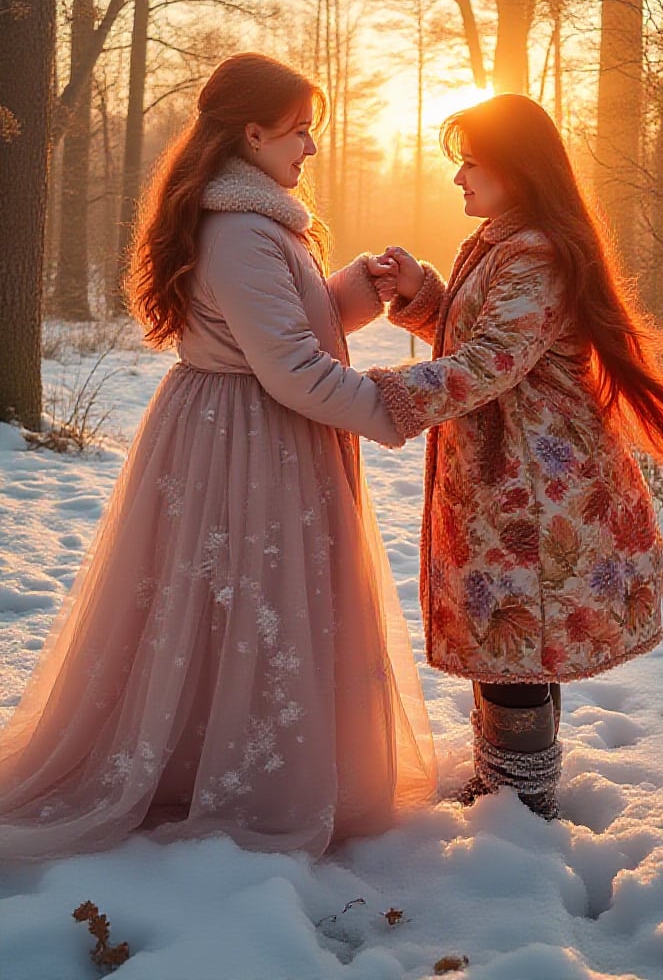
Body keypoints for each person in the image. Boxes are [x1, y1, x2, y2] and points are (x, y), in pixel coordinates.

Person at [0, 52, 435, 861]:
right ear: (253, 131)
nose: (309, 148)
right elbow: (295, 368)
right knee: (247, 601)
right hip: (246, 441)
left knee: (242, 606)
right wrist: (399, 405)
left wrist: (361, 288)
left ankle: (224, 762)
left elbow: (284, 327)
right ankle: (230, 781)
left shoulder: (261, 222)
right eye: (301, 132)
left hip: (253, 428)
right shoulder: (240, 231)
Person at [368, 93, 663, 821]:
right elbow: (486, 339)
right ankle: (506, 790)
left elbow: (491, 360)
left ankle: (519, 805)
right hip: (503, 481)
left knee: (523, 631)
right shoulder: (504, 240)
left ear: (517, 169)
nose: (458, 177)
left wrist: (376, 396)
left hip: (531, 488)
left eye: (472, 161)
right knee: (510, 637)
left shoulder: (536, 250)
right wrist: (424, 294)